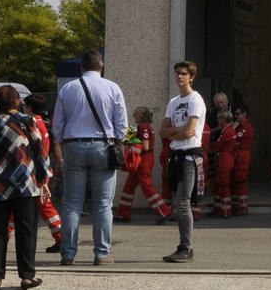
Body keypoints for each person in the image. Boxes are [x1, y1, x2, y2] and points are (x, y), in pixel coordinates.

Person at [51, 50, 129, 266]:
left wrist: (62, 141)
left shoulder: (68, 89)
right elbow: (122, 124)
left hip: (74, 147)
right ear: (101, 67)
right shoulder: (113, 88)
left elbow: (58, 125)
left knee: (72, 204)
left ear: (81, 67)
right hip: (103, 148)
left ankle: (68, 254)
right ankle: (102, 253)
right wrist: (117, 140)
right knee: (103, 204)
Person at [0, 85, 51, 290]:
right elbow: (41, 151)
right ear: (17, 101)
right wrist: (44, 179)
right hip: (25, 183)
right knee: (26, 230)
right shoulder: (27, 122)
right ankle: (27, 276)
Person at [160, 61, 207, 262]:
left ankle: (186, 247)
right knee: (178, 202)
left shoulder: (195, 100)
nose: (179, 77)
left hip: (189, 156)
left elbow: (190, 132)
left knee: (183, 201)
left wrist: (176, 133)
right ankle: (183, 246)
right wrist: (177, 133)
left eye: (184, 74)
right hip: (176, 155)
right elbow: (162, 131)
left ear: (191, 77)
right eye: (177, 73)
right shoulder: (173, 102)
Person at [116, 107, 172, 223]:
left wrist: (131, 141)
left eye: (136, 113)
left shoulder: (143, 127)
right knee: (129, 186)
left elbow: (145, 146)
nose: (133, 115)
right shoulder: (144, 127)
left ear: (141, 115)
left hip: (144, 160)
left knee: (146, 186)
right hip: (144, 159)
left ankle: (165, 211)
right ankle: (123, 214)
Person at [23, 93, 64, 253]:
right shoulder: (41, 123)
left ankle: (62, 239)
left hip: (38, 171)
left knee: (46, 207)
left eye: (25, 105)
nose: (23, 107)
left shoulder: (32, 124)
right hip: (42, 169)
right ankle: (61, 239)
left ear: (30, 108)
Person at [209, 105, 237, 217]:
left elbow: (217, 146)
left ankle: (225, 212)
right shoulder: (228, 130)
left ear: (224, 119)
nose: (217, 120)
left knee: (223, 186)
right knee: (220, 185)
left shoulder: (227, 131)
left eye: (219, 118)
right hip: (226, 158)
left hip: (223, 159)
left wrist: (211, 146)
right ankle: (221, 209)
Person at [230, 100, 254, 215]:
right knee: (234, 179)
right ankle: (235, 205)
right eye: (235, 114)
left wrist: (233, 129)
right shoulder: (238, 126)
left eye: (238, 114)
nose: (236, 116)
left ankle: (242, 207)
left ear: (245, 115)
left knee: (241, 179)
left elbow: (233, 138)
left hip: (242, 155)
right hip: (235, 154)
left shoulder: (246, 127)